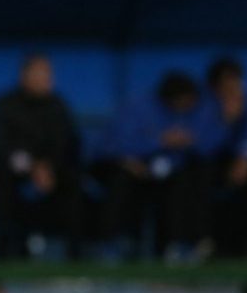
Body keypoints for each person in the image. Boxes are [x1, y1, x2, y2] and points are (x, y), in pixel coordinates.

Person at [96, 72, 225, 262]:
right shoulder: (138, 107)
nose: (187, 106)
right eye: (183, 101)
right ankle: (110, 246)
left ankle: (180, 246)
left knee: (189, 182)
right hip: (135, 171)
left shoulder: (202, 110)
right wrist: (158, 141)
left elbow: (212, 144)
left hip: (175, 173)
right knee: (121, 181)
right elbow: (113, 145)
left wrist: (189, 143)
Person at [0, 55, 82, 260]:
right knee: (4, 186)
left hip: (52, 171)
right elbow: (4, 145)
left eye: (49, 74)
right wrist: (33, 168)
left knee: (74, 184)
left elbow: (66, 142)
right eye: (41, 73)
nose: (47, 79)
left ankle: (75, 258)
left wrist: (48, 167)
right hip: (18, 170)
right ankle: (6, 255)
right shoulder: (6, 104)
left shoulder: (58, 105)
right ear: (25, 76)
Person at [205, 58, 247, 257]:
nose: (232, 87)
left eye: (236, 82)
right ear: (214, 85)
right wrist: (226, 121)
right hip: (204, 164)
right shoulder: (203, 104)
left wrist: (245, 159)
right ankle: (204, 246)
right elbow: (203, 146)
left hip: (234, 164)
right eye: (226, 83)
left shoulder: (245, 101)